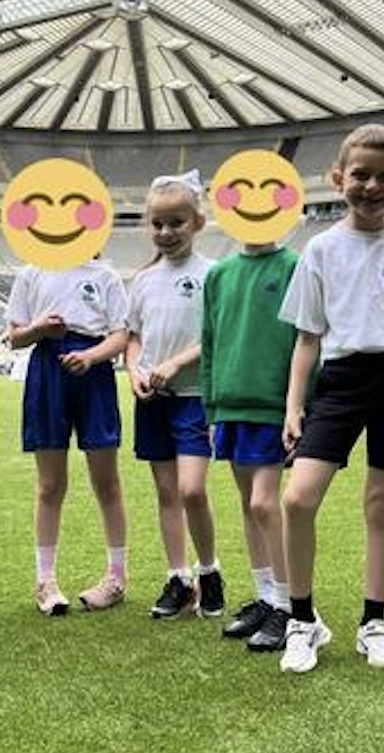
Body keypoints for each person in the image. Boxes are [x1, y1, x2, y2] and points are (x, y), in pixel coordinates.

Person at [279, 124, 384, 674]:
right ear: (338, 178)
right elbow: (307, 337)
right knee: (298, 499)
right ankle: (302, 620)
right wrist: (295, 405)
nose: (371, 185)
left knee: (380, 503)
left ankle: (373, 624)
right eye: (360, 175)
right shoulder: (320, 248)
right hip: (340, 380)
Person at [7, 255, 129, 615]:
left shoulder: (105, 274)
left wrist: (91, 356)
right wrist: (39, 328)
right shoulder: (32, 272)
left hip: (94, 374)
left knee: (107, 482)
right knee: (49, 484)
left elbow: (121, 335)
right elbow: (14, 337)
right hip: (48, 371)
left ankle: (116, 576)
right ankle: (45, 581)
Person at [126, 171, 223, 619]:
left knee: (191, 489)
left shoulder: (212, 276)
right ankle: (179, 578)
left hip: (194, 396)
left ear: (197, 223)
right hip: (152, 401)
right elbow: (133, 337)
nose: (166, 233)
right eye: (158, 224)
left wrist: (176, 363)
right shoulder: (143, 281)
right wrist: (134, 371)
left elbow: (216, 336)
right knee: (167, 492)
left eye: (176, 223)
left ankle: (209, 570)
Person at [202, 220, 299, 653]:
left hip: (272, 405)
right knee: (248, 504)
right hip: (230, 406)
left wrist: (299, 404)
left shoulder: (295, 265)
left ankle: (290, 604)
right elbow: (209, 341)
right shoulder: (219, 275)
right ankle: (266, 597)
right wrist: (211, 408)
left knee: (264, 502)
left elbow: (305, 339)